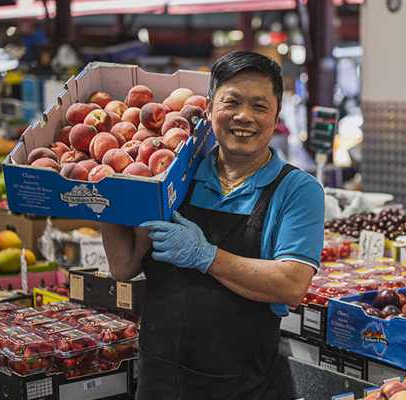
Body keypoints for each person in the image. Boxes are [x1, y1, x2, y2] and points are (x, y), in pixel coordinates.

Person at [101, 51, 325, 400]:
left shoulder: (297, 190)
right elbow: (123, 266)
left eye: (259, 106)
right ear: (208, 108)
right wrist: (104, 193)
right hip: (160, 379)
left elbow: (291, 284)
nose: (243, 117)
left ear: (277, 116)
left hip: (243, 386)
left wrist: (205, 255)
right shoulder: (174, 175)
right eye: (231, 102)